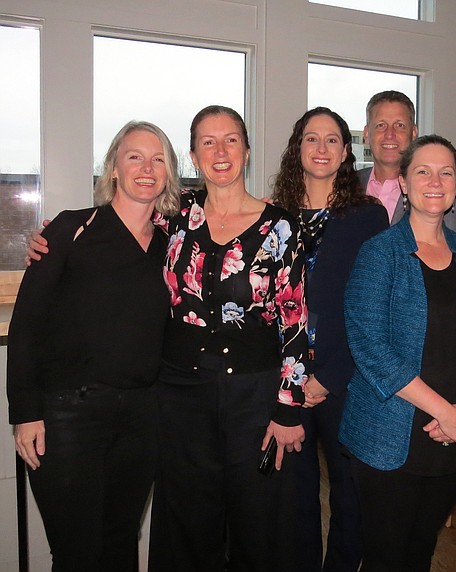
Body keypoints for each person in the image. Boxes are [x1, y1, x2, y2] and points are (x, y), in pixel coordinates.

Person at [8, 121, 181, 571]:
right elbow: (27, 326)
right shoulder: (70, 230)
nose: (147, 167)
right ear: (114, 169)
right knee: (76, 550)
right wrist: (25, 413)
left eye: (158, 158)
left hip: (141, 419)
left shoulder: (174, 245)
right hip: (68, 418)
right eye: (134, 156)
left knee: (120, 543)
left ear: (169, 172)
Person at [146, 105, 308, 571]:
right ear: (194, 156)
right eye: (208, 142)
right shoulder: (172, 218)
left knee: (257, 523)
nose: (221, 151)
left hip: (254, 397)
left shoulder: (280, 226)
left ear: (248, 151)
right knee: (187, 524)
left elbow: (293, 321)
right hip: (181, 395)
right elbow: (118, 224)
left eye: (231, 139)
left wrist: (287, 408)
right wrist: (60, 234)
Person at [340, 134, 456, 572]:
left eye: (446, 172)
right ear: (405, 184)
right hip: (391, 435)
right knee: (386, 557)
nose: (435, 180)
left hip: (453, 434)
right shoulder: (379, 253)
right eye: (423, 171)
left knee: (420, 551)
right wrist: (443, 412)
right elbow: (369, 346)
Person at [272, 107, 388, 571]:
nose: (321, 148)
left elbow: (370, 305)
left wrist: (329, 375)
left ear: (346, 151)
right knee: (293, 496)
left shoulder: (368, 217)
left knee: (349, 492)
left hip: (346, 377)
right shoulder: (272, 217)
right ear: (297, 148)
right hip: (284, 380)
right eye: (311, 139)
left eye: (332, 140)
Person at [358, 90, 456, 232]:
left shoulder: (437, 190)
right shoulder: (347, 184)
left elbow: (454, 248)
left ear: (414, 132)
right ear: (366, 133)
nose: (390, 134)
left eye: (399, 125)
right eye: (381, 125)